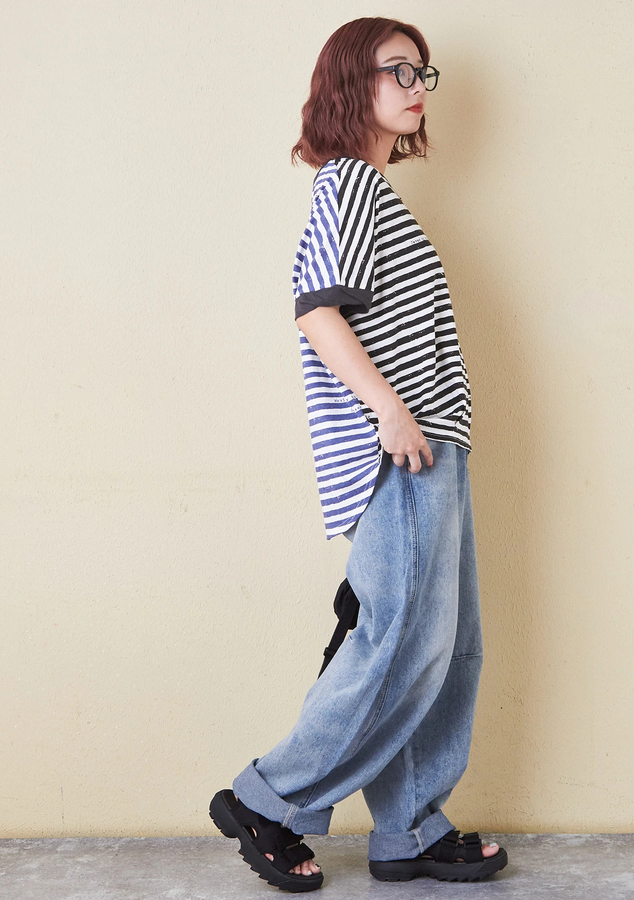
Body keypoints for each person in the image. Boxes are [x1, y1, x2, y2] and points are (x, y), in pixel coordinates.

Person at [210, 17, 507, 892]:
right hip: (403, 451)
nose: (417, 87)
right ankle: (268, 798)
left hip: (432, 446)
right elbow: (318, 312)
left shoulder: (377, 192)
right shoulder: (348, 184)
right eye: (397, 70)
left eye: (423, 73)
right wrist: (390, 413)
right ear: (351, 82)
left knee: (447, 646)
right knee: (403, 640)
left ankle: (408, 828)